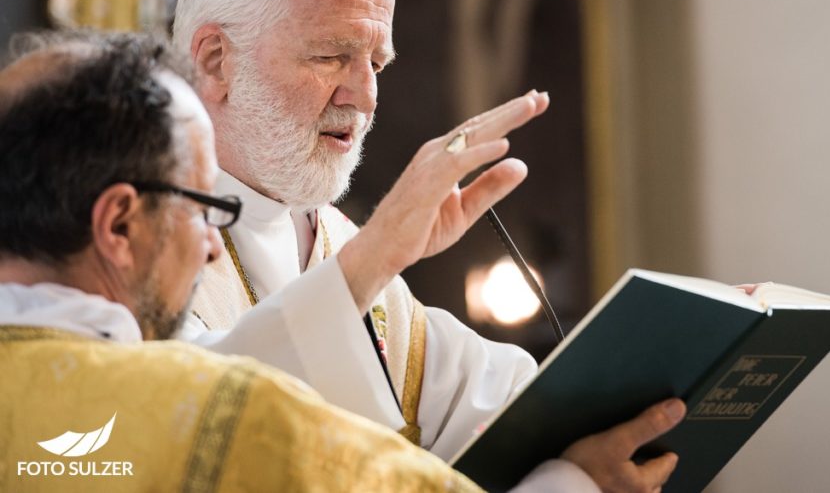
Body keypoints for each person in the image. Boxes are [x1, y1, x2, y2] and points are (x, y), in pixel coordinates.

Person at [171, 0, 685, 488]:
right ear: (214, 59)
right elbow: (194, 425)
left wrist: (685, 346)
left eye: (376, 64)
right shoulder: (125, 233)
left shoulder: (332, 239)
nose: (363, 96)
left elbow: (510, 406)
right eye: (330, 56)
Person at [0, 33, 482, 491]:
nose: (212, 244)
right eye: (200, 207)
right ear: (120, 226)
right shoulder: (238, 419)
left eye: (376, 63)